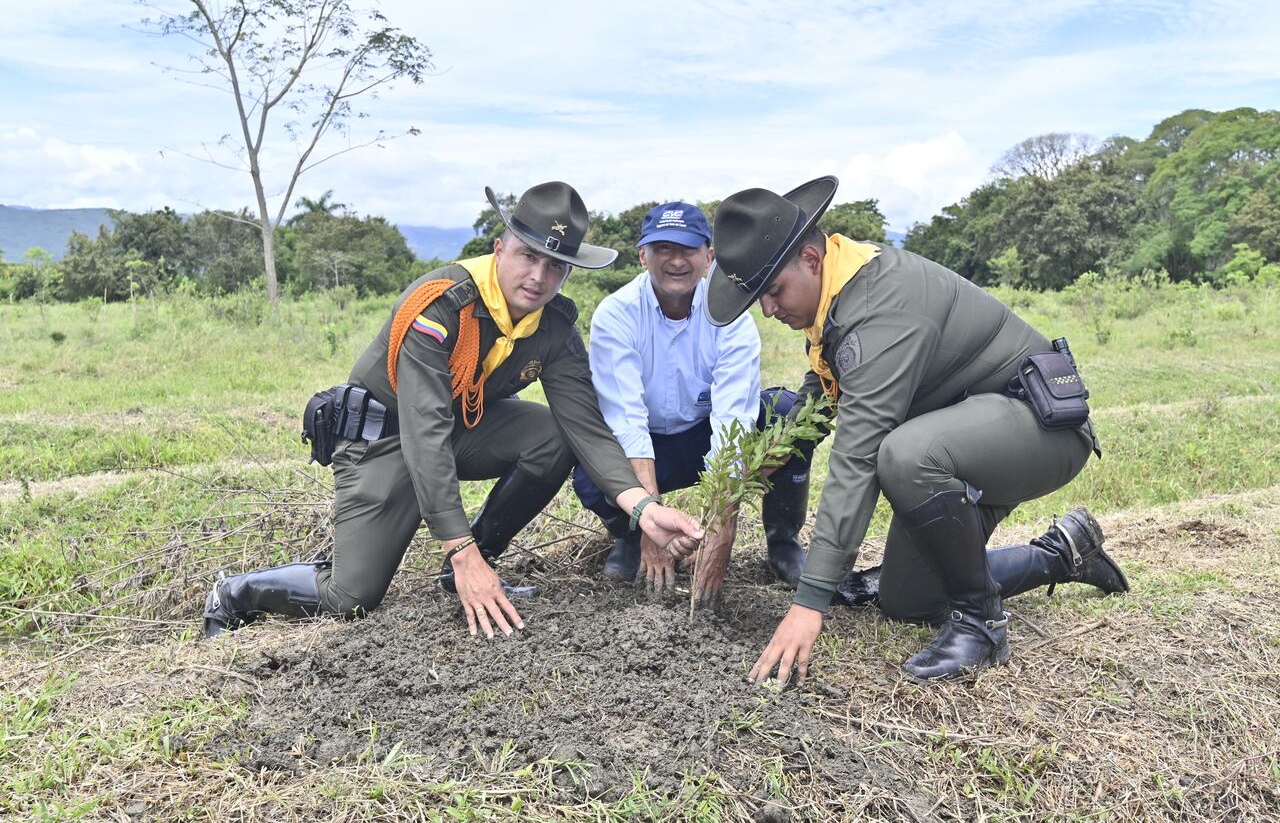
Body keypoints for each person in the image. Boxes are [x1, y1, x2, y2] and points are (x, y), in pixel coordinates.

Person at [204, 182, 703, 640]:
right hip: (385, 440)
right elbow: (424, 433)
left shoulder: (553, 327)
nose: (539, 277)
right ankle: (236, 591)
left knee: (553, 434)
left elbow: (587, 428)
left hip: (460, 429)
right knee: (351, 597)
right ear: (499, 248)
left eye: (556, 266)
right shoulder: (440, 306)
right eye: (529, 256)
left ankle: (472, 564)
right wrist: (457, 546)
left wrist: (645, 509)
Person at [704, 176, 1128, 684]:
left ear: (812, 261)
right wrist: (733, 495)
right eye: (759, 300)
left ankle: (982, 625)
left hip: (1038, 430)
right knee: (910, 600)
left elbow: (857, 457)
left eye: (774, 292)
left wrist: (810, 602)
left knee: (901, 455)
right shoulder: (835, 301)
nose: (770, 311)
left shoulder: (881, 306)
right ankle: (1062, 553)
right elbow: (815, 405)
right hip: (969, 444)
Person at [571, 202, 811, 600]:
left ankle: (783, 540)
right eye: (663, 249)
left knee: (788, 416)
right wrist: (649, 519)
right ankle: (631, 536)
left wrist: (722, 529)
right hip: (648, 446)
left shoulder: (731, 316)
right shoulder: (617, 314)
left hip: (703, 436)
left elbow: (732, 421)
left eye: (688, 249)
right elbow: (627, 421)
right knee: (590, 472)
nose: (677, 261)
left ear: (709, 256)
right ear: (643, 255)